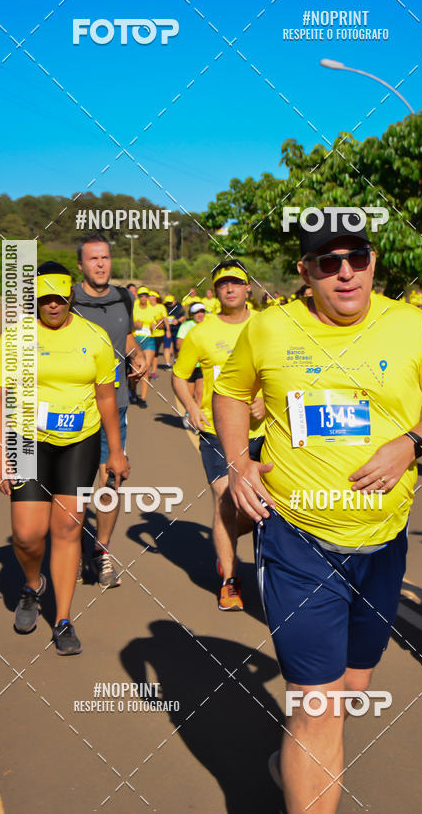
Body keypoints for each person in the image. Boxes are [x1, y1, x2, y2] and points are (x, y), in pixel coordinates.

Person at [211, 214, 422, 813]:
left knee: (353, 687)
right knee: (320, 706)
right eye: (328, 262)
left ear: (373, 262)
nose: (345, 273)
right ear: (305, 272)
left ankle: (292, 760)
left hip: (382, 543)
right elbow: (229, 391)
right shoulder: (269, 327)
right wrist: (238, 462)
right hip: (297, 538)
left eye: (356, 258)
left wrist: (411, 443)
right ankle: (307, 756)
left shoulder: (414, 327)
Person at [0, 262, 129, 655]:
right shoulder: (16, 337)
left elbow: (106, 397)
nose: (52, 305)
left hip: (79, 443)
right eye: (45, 299)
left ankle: (63, 620)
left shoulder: (94, 337)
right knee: (27, 534)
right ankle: (33, 585)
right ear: (35, 301)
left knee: (67, 528)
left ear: (70, 297)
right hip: (27, 442)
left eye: (59, 298)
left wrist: (116, 451)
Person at [172, 260, 265, 611]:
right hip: (217, 431)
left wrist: (267, 401)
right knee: (226, 498)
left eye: (236, 282)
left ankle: (262, 568)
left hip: (263, 431)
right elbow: (179, 375)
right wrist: (191, 408)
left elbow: (287, 372)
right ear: (215, 291)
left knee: (259, 506)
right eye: (223, 284)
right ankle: (230, 579)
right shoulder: (201, 332)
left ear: (247, 288)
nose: (230, 288)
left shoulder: (267, 325)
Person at [72, 233, 147, 587]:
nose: (100, 264)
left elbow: (125, 336)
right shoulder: (68, 298)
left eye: (105, 257)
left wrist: (137, 354)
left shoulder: (123, 297)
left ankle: (101, 551)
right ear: (80, 265)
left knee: (112, 480)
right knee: (73, 485)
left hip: (114, 406)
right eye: (93, 258)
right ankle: (70, 549)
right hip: (74, 407)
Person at [176, 301, 206, 428]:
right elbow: (179, 344)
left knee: (200, 395)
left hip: (203, 366)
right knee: (190, 393)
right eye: (196, 312)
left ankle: (197, 421)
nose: (200, 314)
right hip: (190, 366)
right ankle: (188, 414)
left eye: (202, 312)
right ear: (192, 314)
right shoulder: (186, 326)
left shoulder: (209, 325)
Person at [132, 287, 158, 407]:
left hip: (149, 340)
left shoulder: (152, 309)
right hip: (135, 340)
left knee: (146, 370)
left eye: (146, 295)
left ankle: (143, 399)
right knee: (136, 372)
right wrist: (134, 324)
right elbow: (128, 323)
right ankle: (132, 390)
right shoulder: (134, 307)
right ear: (138, 296)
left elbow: (158, 323)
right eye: (141, 295)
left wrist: (155, 326)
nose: (144, 297)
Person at [148, 290, 170, 379]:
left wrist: (168, 330)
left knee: (155, 354)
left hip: (158, 334)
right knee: (147, 353)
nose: (151, 297)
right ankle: (146, 372)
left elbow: (165, 319)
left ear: (156, 297)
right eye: (149, 296)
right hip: (147, 334)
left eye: (153, 296)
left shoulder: (161, 307)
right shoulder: (146, 306)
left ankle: (153, 372)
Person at [163, 293, 185, 367]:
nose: (169, 304)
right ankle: (167, 364)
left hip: (177, 329)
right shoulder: (164, 306)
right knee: (166, 346)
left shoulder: (179, 306)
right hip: (167, 330)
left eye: (170, 302)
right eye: (167, 302)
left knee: (177, 347)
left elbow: (183, 317)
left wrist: (178, 321)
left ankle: (176, 360)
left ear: (174, 300)